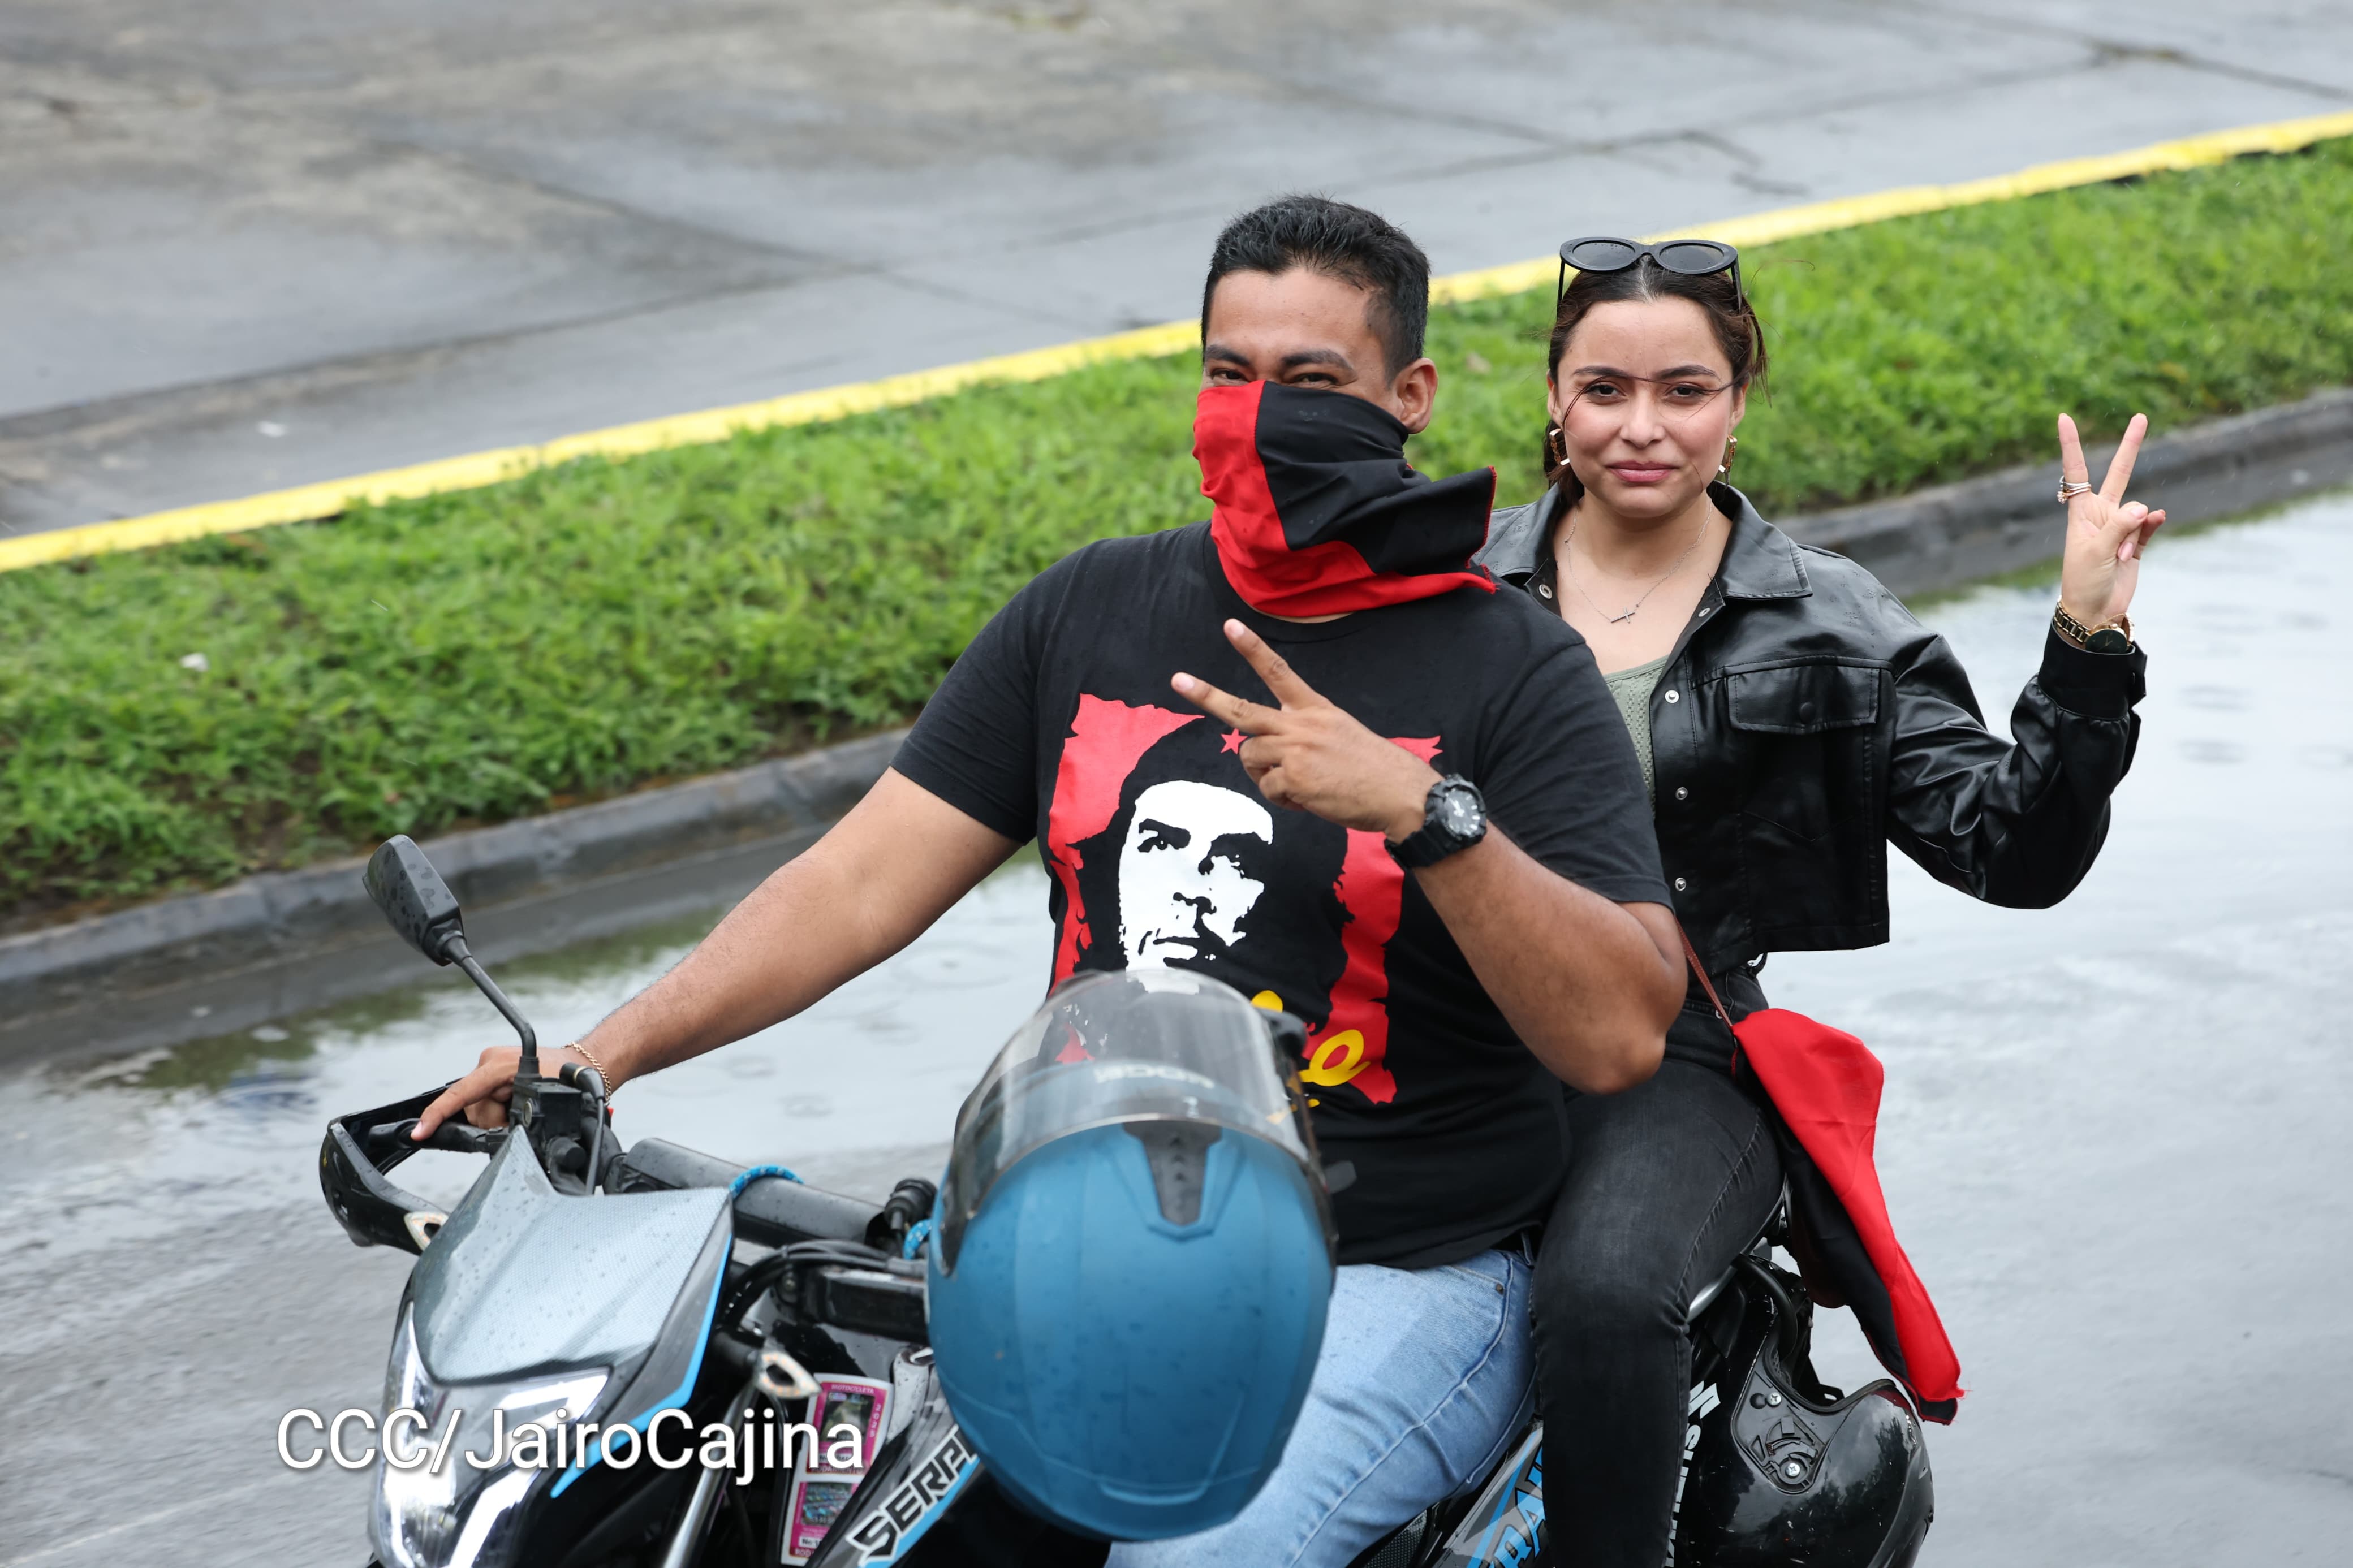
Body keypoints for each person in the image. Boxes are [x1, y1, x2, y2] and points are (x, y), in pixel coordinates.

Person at [415, 196, 1688, 1566]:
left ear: (1409, 396)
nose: (1259, 413)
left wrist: (1423, 814)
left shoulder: (1510, 670)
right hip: (1069, 1241)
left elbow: (1619, 1032)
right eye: (1228, 372)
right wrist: (600, 1056)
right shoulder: (1088, 611)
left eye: (1311, 380)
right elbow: (854, 886)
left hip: (1389, 1272)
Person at [1474, 237, 2160, 1568]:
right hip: (1442, 1032)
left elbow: (2009, 849)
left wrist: (2087, 643)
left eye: (1684, 390)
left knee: (1608, 1295)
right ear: (1555, 398)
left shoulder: (1827, 617)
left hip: (1678, 1054)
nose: (1640, 425)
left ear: (1737, 403)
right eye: (1604, 388)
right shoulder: (1449, 590)